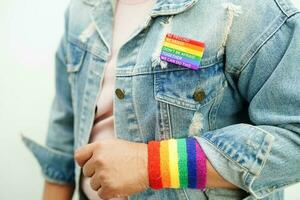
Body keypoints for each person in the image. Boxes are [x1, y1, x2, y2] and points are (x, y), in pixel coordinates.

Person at [22, 0, 300, 199]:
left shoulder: (252, 9)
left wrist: (152, 165)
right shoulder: (82, 11)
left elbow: (294, 142)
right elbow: (63, 133)